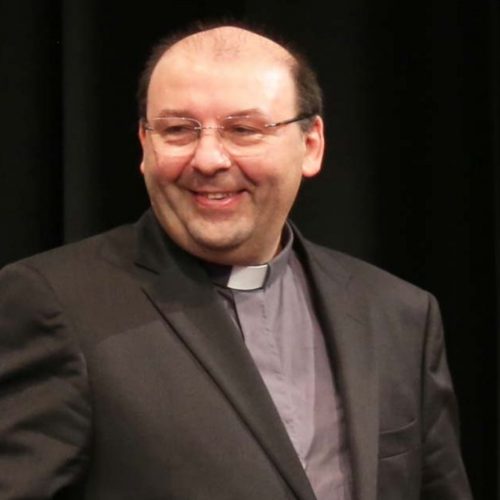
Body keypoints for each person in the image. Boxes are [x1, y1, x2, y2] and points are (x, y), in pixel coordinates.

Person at [0, 22, 472, 500]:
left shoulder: (399, 314)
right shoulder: (55, 304)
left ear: (311, 145)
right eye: (178, 130)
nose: (208, 159)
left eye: (243, 130)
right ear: (145, 145)